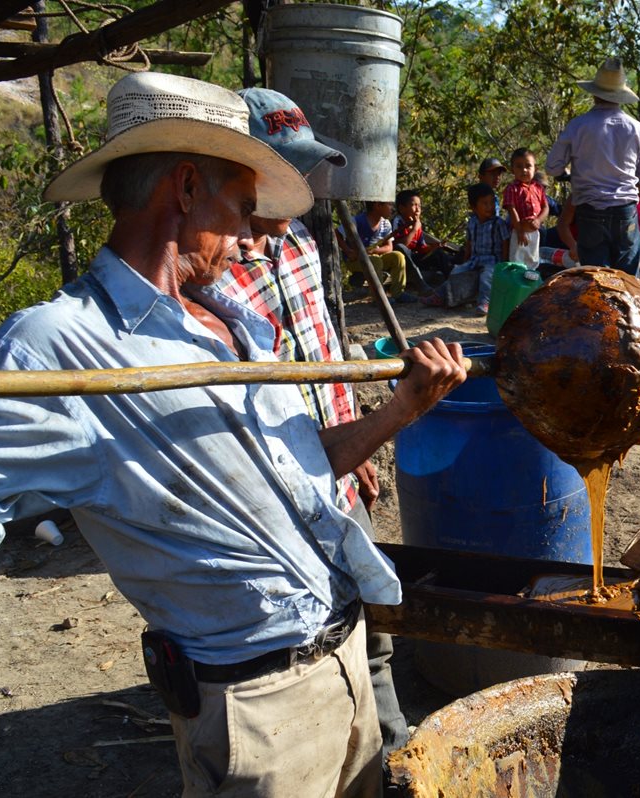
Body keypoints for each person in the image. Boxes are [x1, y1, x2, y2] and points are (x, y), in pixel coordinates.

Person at [0, 72, 469, 797]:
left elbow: (306, 469)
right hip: (255, 709)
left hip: (344, 659)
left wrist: (402, 410)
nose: (250, 237)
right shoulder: (59, 349)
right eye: (242, 209)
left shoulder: (233, 321)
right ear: (184, 190)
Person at [216, 86, 410, 762]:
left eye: (302, 170)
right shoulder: (205, 270)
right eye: (283, 169)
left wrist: (353, 434)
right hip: (275, 493)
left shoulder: (299, 240)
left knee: (373, 628)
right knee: (300, 649)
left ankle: (389, 758)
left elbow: (322, 348)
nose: (298, 184)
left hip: (337, 469)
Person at [545, 57, 640, 274]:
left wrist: (568, 173)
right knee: (626, 281)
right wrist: (637, 185)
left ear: (594, 93)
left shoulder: (578, 125)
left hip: (590, 212)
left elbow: (552, 167)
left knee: (596, 281)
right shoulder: (636, 128)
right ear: (620, 96)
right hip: (625, 212)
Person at [421, 183, 510, 313]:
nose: (490, 207)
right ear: (474, 207)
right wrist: (465, 260)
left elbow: (505, 242)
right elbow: (469, 242)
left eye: (491, 202)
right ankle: (439, 296)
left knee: (486, 278)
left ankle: (485, 302)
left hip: (492, 261)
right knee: (456, 272)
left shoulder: (498, 223)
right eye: (485, 204)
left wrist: (504, 262)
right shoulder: (472, 222)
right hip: (474, 260)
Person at [336, 200, 417, 302]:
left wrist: (374, 250)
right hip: (356, 260)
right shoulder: (356, 221)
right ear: (378, 206)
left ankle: (398, 293)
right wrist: (348, 251)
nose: (392, 208)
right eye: (389, 205)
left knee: (398, 256)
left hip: (375, 256)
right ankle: (378, 296)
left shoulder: (385, 224)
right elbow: (337, 234)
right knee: (375, 261)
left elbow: (389, 247)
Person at [393, 189, 454, 289]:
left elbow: (421, 247)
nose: (418, 209)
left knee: (439, 254)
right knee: (401, 248)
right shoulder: (397, 222)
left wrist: (434, 247)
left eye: (419, 206)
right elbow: (399, 246)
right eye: (414, 205)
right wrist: (414, 230)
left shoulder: (416, 223)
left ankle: (452, 280)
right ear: (402, 208)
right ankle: (419, 281)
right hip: (403, 261)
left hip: (415, 259)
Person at [502, 147, 549, 267]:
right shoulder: (512, 188)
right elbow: (512, 210)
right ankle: (514, 285)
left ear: (535, 168)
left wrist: (538, 220)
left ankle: (531, 285)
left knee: (532, 262)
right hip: (519, 232)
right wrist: (519, 230)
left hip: (535, 232)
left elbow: (545, 208)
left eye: (528, 166)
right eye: (518, 166)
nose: (524, 170)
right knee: (517, 262)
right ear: (512, 169)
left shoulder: (538, 188)